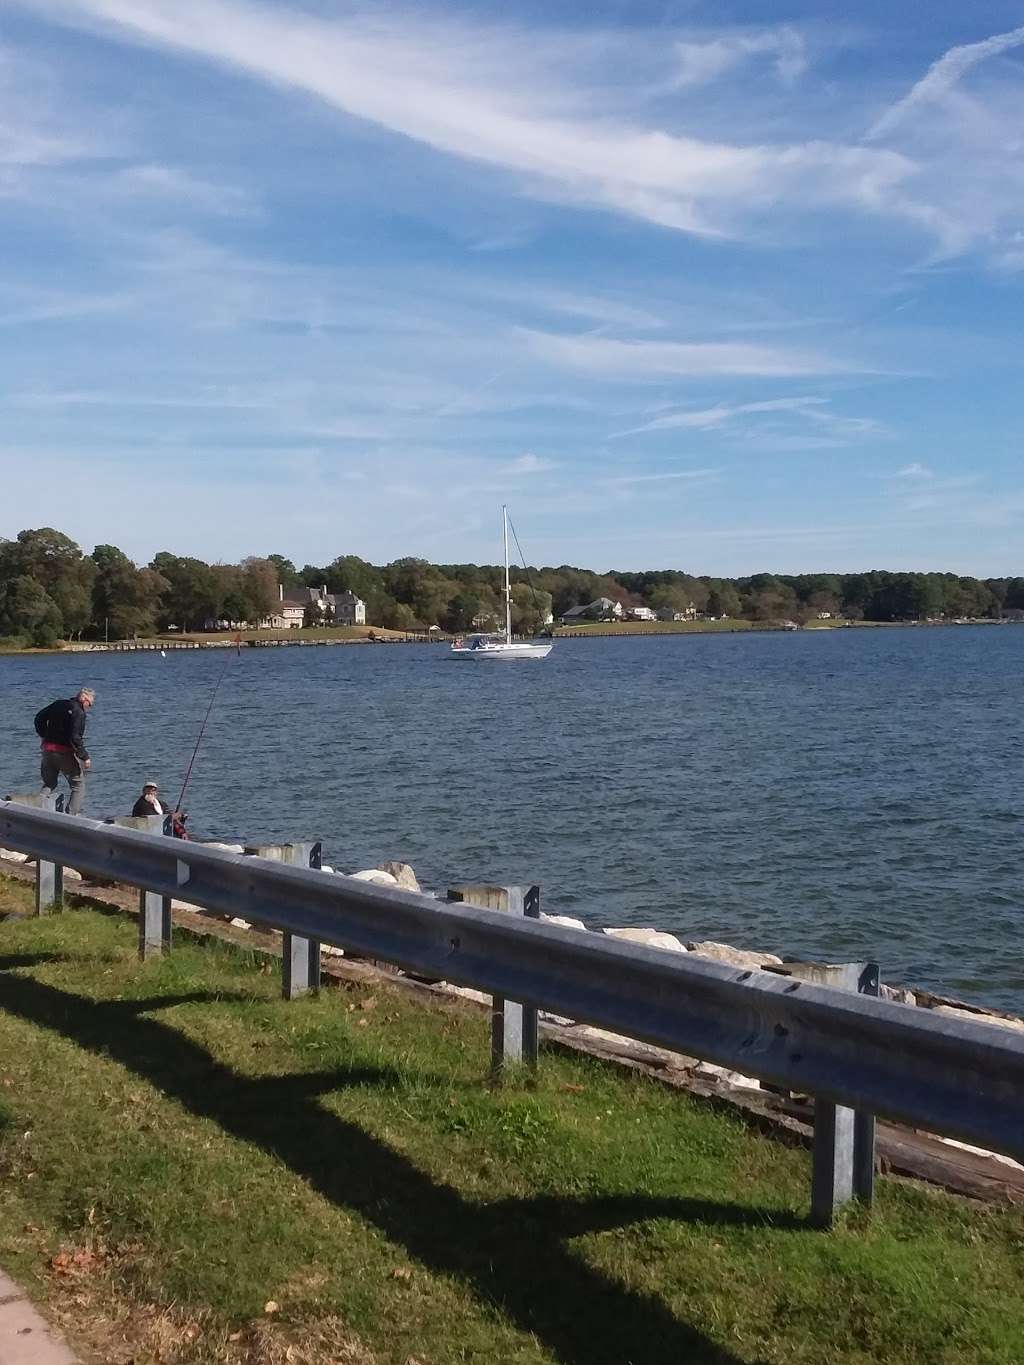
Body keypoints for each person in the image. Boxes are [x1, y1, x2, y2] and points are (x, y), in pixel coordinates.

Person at [35, 688, 95, 816]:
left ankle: (34, 807)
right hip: (63, 752)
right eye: (90, 704)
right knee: (78, 785)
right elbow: (75, 737)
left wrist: (44, 735)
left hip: (47, 750)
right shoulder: (79, 712)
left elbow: (39, 718)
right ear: (84, 699)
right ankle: (70, 816)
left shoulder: (58, 704)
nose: (89, 708)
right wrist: (85, 757)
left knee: (50, 783)